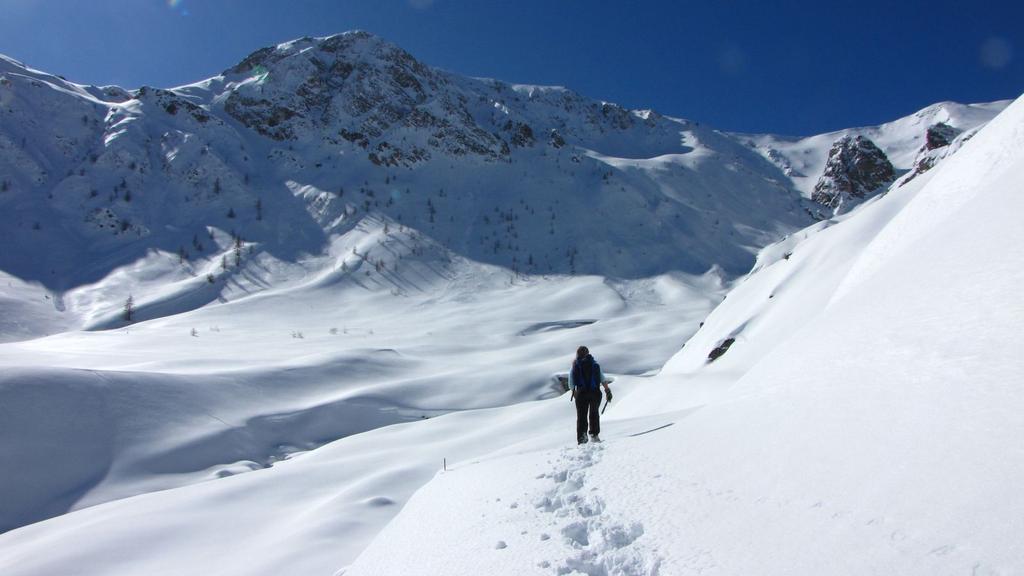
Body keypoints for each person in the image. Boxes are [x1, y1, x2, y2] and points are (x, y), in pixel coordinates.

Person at [570, 346, 611, 444]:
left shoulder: (575, 365)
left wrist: (576, 395)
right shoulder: (595, 364)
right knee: (594, 414)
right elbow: (602, 379)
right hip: (595, 392)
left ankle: (582, 438)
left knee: (581, 417)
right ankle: (594, 435)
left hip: (581, 394)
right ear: (588, 353)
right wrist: (607, 390)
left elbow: (571, 384)